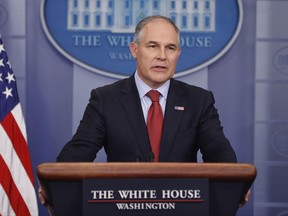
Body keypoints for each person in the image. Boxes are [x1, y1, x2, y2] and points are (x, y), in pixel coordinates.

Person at [40, 15, 250, 206]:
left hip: (182, 207)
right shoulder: (106, 99)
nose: (162, 56)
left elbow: (218, 151)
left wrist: (235, 181)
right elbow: (78, 152)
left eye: (170, 48)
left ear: (178, 54)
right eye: (152, 46)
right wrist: (54, 183)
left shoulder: (199, 101)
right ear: (134, 49)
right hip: (121, 207)